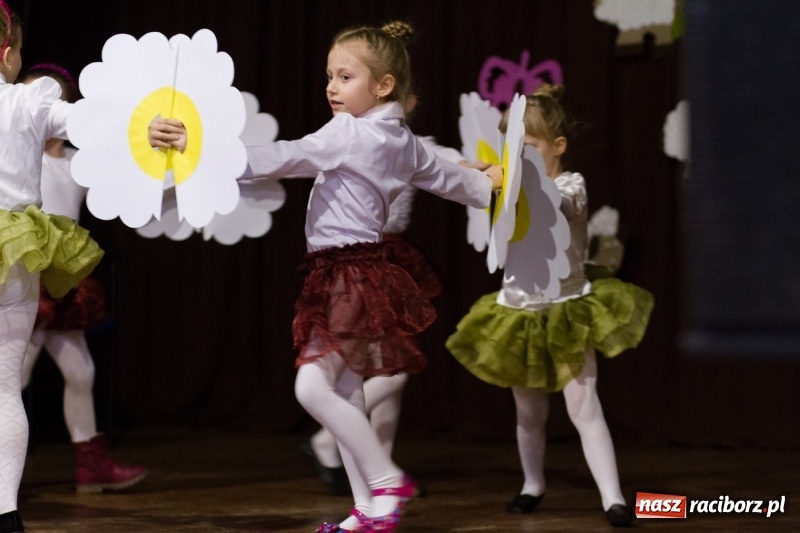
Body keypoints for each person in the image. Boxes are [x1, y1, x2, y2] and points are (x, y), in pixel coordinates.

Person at [241, 21, 503, 533]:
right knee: (345, 393)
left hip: (346, 273)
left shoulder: (349, 131)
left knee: (312, 390)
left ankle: (386, 481)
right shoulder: (403, 141)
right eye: (329, 77)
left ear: (383, 85)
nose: (331, 87)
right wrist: (491, 183)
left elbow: (284, 156)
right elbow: (452, 180)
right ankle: (365, 510)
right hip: (360, 270)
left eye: (345, 77)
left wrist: (200, 155)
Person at [0, 4, 183, 531]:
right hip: (15, 251)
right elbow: (90, 120)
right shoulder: (27, 101)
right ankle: (6, 516)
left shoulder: (40, 117)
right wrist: (151, 125)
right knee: (6, 385)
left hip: (23, 254)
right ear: (10, 55)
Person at [446, 84, 654, 528]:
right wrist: (473, 171)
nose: (516, 155)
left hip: (566, 310)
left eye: (529, 146)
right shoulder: (504, 180)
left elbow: (558, 203)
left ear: (558, 147)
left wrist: (515, 182)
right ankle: (532, 483)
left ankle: (613, 497)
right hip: (518, 313)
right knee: (528, 412)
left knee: (584, 407)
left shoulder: (570, 185)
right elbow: (461, 180)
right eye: (511, 146)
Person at [302, 132, 469, 497]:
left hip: (388, 254)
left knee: (389, 374)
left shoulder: (413, 143)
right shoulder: (348, 139)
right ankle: (331, 439)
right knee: (392, 375)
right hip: (365, 258)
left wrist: (486, 170)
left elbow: (452, 164)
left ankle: (380, 472)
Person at [20, 64, 147, 494]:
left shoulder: (78, 163)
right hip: (28, 275)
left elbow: (124, 190)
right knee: (15, 376)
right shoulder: (21, 156)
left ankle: (90, 465)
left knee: (80, 370)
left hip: (63, 278)